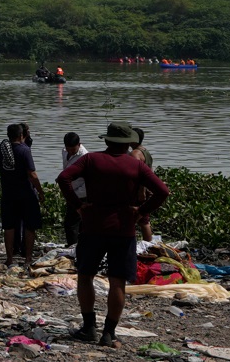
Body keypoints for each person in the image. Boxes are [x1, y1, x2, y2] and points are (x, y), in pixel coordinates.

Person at [57, 121, 170, 348]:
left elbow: (63, 178)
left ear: (107, 141)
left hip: (92, 226)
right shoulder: (135, 165)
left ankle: (89, 327)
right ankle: (108, 333)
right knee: (117, 281)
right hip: (123, 229)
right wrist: (141, 212)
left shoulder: (91, 160)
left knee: (86, 276)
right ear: (129, 143)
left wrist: (79, 206)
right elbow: (162, 191)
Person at [0, 123, 43, 269]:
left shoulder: (2, 149)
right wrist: (40, 191)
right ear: (21, 136)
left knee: (9, 226)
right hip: (26, 194)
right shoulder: (24, 150)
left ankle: (9, 259)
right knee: (29, 226)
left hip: (8, 194)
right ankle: (28, 258)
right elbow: (32, 174)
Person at [61, 132, 88, 246]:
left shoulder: (85, 157)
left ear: (79, 144)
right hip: (70, 190)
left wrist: (73, 194)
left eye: (73, 150)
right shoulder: (64, 151)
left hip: (81, 193)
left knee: (71, 223)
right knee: (78, 222)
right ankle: (78, 246)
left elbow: (88, 180)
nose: (71, 152)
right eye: (69, 149)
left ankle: (73, 247)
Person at [130, 128, 155, 241]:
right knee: (144, 220)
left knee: (137, 219)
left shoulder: (135, 154)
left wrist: (141, 190)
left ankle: (145, 244)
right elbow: (150, 171)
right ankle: (148, 244)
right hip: (146, 188)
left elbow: (140, 174)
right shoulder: (145, 151)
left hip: (138, 190)